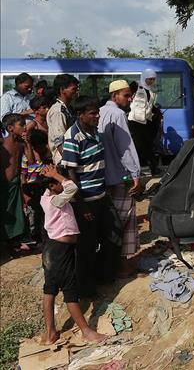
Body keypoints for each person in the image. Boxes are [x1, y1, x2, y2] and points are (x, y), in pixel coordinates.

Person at [36, 164, 107, 345]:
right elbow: (72, 187)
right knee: (69, 290)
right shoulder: (55, 200)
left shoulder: (47, 197)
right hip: (59, 251)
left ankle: (51, 333)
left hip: (53, 250)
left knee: (50, 289)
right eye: (59, 181)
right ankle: (86, 332)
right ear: (52, 185)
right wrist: (56, 174)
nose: (64, 181)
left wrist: (53, 174)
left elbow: (67, 188)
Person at [61, 96, 120, 296]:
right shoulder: (73, 136)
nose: (97, 116)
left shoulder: (95, 132)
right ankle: (85, 289)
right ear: (80, 115)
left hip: (101, 195)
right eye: (93, 113)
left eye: (98, 112)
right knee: (86, 246)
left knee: (113, 235)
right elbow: (71, 173)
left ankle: (103, 276)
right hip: (86, 200)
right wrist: (82, 205)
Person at [98, 80, 142, 277]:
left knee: (111, 221)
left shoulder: (98, 112)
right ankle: (123, 266)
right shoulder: (118, 114)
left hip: (102, 176)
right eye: (126, 95)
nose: (130, 99)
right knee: (125, 220)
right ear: (114, 95)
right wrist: (135, 174)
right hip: (119, 175)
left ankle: (111, 263)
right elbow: (125, 148)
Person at [2, 114, 29, 252]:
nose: (25, 127)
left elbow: (30, 160)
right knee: (5, 212)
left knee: (16, 213)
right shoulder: (2, 143)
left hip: (15, 183)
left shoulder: (21, 144)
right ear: (10, 128)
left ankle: (14, 241)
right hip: (4, 184)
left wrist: (28, 143)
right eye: (21, 125)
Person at [22, 129, 52, 246]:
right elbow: (23, 176)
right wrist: (25, 195)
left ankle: (46, 240)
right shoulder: (26, 157)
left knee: (46, 215)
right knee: (37, 216)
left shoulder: (47, 157)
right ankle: (40, 240)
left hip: (45, 189)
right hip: (33, 190)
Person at [128, 69, 159, 175]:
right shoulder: (136, 86)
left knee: (148, 146)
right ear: (144, 77)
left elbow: (149, 105)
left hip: (145, 122)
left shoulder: (151, 91)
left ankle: (154, 168)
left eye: (153, 79)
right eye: (149, 79)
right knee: (136, 146)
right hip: (135, 122)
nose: (151, 81)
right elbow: (128, 98)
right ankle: (133, 170)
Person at [47, 74, 79, 164]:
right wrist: (68, 161)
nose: (76, 92)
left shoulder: (68, 108)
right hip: (64, 160)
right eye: (74, 89)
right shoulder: (58, 110)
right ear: (62, 90)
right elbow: (59, 139)